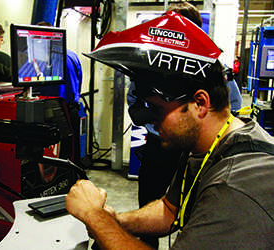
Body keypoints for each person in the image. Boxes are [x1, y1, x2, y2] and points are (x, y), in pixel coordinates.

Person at [66, 12, 274, 249]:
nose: (152, 120)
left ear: (200, 104)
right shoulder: (203, 146)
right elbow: (169, 210)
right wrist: (116, 221)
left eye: (157, 109)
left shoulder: (233, 187)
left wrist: (95, 216)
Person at [127, 2, 242, 248]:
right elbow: (135, 109)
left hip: (193, 146)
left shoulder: (214, 66)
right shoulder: (149, 70)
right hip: (159, 146)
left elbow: (231, 106)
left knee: (195, 211)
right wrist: (161, 116)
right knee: (153, 201)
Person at [34, 21, 83, 166]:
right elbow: (79, 83)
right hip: (71, 110)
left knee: (53, 157)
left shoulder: (43, 60)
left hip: (53, 112)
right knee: (71, 153)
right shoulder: (72, 56)